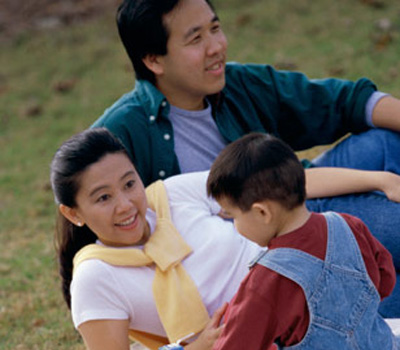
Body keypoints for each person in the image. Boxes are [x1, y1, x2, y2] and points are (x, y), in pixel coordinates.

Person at [91, 0, 400, 316]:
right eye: (196, 39)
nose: (216, 47)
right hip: (267, 252)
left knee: (388, 141)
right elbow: (96, 236)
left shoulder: (237, 83)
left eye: (215, 28)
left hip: (300, 191)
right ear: (154, 60)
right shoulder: (119, 133)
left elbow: (342, 102)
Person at [50, 128, 400, 350]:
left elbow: (278, 189)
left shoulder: (172, 195)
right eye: (103, 198)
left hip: (318, 288)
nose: (126, 205)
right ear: (73, 213)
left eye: (129, 184)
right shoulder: (95, 278)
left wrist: (380, 179)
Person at [201, 133, 400, 350]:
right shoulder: (350, 225)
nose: (235, 225)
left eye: (233, 217)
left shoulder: (266, 279)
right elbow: (384, 282)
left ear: (262, 212)